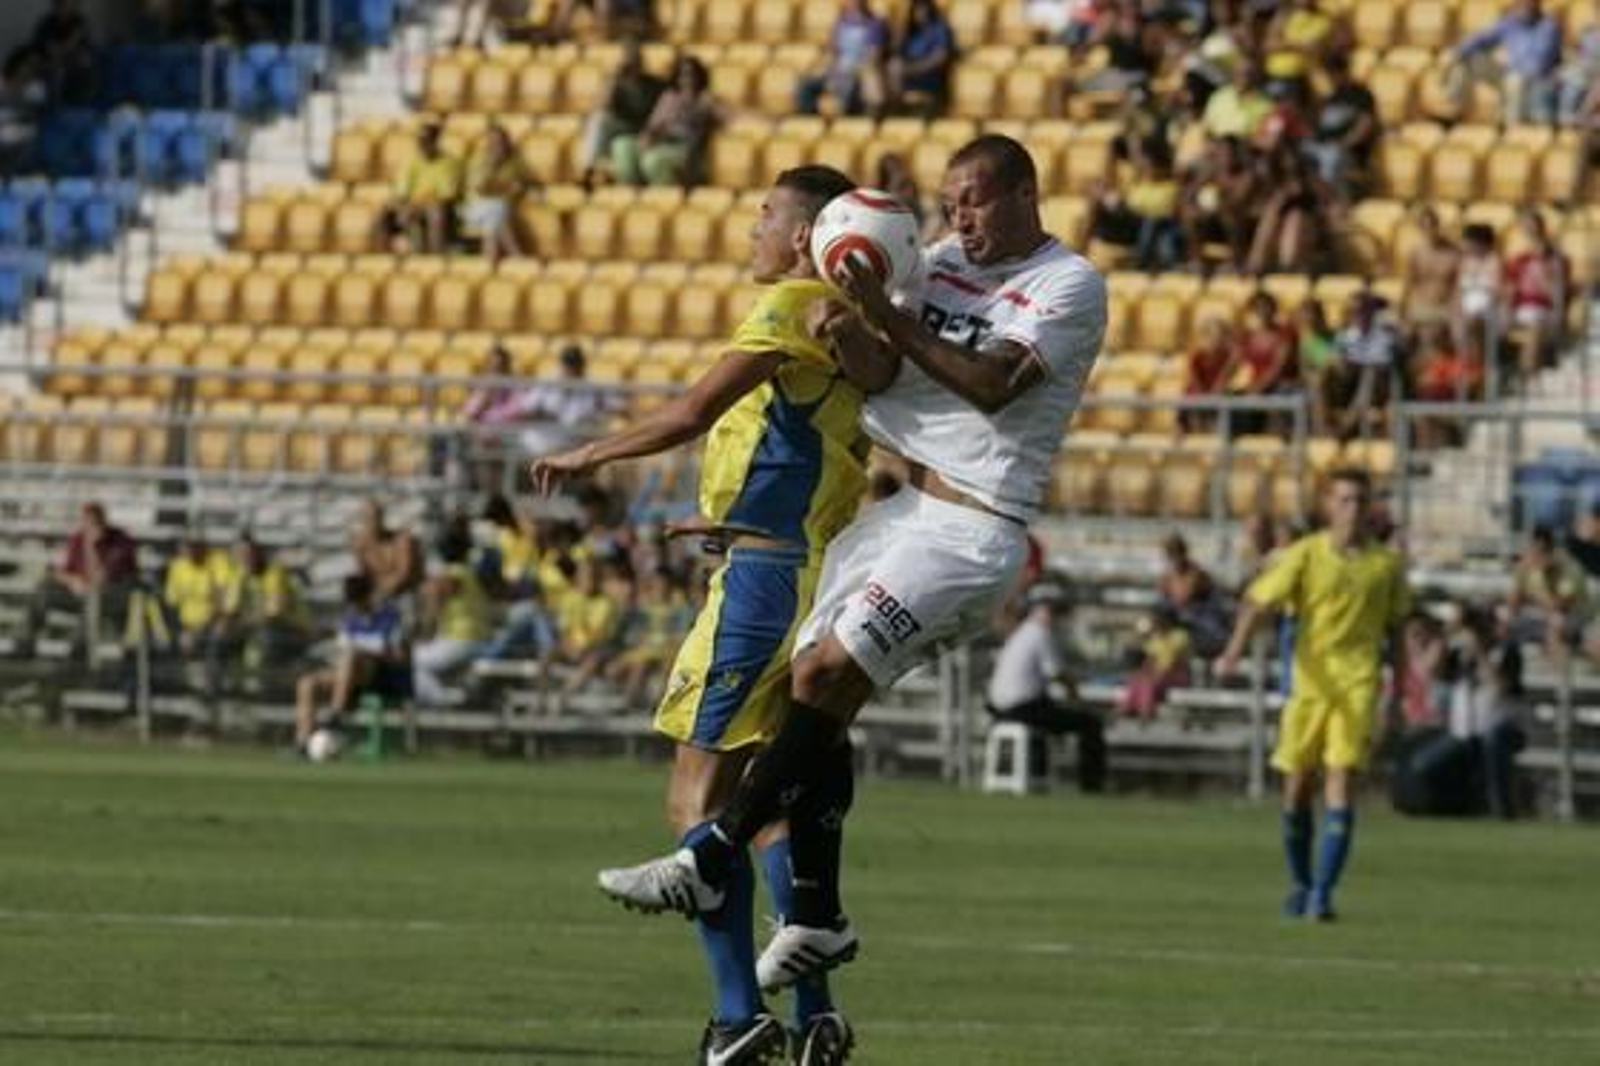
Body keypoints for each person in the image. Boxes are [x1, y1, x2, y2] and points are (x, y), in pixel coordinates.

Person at [592, 136, 1106, 999]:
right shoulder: (934, 262)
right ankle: (816, 918)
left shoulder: (1068, 283)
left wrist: (884, 308)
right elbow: (872, 371)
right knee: (812, 690)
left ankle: (713, 855)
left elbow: (993, 383)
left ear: (1025, 192)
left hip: (973, 526)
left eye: (975, 199)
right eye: (950, 202)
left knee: (826, 673)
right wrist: (844, 312)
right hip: (899, 512)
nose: (960, 219)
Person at [531, 165, 869, 1063]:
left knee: (697, 798)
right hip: (793, 567)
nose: (752, 228)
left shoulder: (796, 302)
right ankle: (814, 1016)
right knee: (764, 804)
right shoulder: (852, 326)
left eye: (765, 215)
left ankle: (736, 1017)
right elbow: (820, 455)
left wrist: (590, 453)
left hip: (757, 589)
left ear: (805, 237)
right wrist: (731, 516)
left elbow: (692, 410)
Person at [1214, 469, 1410, 921]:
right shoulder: (1305, 554)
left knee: (1341, 780)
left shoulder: (1385, 565)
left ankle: (1323, 893)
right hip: (1308, 686)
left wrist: (1398, 695)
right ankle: (1301, 883)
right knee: (1297, 788)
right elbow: (1258, 603)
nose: (1353, 509)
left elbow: (1396, 632)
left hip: (1358, 684)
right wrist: (1233, 651)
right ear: (1327, 505)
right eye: (1344, 500)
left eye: (1361, 500)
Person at [986, 580, 1107, 791]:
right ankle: (1092, 785)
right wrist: (1078, 701)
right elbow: (1058, 675)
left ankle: (1037, 776)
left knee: (1047, 713)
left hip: (1001, 708)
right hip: (1022, 709)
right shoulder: (1040, 633)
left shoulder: (1022, 633)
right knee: (1090, 723)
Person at [293, 573, 410, 750]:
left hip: (382, 676)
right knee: (307, 683)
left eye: (358, 600)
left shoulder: (390, 617)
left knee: (351, 655)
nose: (354, 605)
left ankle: (336, 714)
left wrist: (371, 653)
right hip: (349, 676)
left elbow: (401, 658)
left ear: (369, 595)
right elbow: (340, 651)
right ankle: (303, 742)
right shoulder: (349, 620)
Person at [20, 501, 140, 655]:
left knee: (95, 598)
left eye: (94, 522)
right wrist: (73, 581)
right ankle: (25, 641)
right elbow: (65, 570)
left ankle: (79, 649)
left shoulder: (119, 541)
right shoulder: (78, 539)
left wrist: (92, 547)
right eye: (87, 522)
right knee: (44, 589)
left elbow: (104, 576)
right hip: (82, 591)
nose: (90, 526)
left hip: (110, 595)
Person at [412, 517, 496, 706]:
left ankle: (448, 700)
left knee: (410, 662)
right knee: (417, 662)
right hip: (467, 638)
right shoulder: (466, 572)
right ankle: (448, 697)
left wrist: (424, 631)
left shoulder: (453, 575)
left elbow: (436, 599)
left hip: (462, 639)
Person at [611, 55, 724, 187]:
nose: (687, 79)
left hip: (686, 148)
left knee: (653, 160)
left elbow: (729, 115)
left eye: (691, 74)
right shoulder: (669, 98)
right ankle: (631, 190)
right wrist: (648, 136)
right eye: (682, 74)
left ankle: (664, 196)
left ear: (699, 76)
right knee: (622, 145)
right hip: (662, 141)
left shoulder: (706, 99)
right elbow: (654, 124)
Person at [1444, 0, 1562, 125]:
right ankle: (1454, 110)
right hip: (1507, 71)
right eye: (1520, 2)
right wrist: (1457, 52)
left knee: (1514, 81)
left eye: (1528, 2)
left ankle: (1512, 127)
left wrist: (1511, 61)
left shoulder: (1548, 27)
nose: (1523, 5)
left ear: (1537, 5)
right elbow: (1482, 38)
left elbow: (1537, 67)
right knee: (1465, 61)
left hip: (1533, 80)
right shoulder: (1510, 22)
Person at [581, 39, 666, 188]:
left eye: (635, 59)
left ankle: (601, 168)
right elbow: (603, 106)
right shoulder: (616, 83)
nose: (632, 64)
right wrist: (614, 80)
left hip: (645, 127)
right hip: (624, 126)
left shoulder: (654, 84)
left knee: (609, 131)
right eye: (629, 59)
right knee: (599, 121)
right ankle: (591, 166)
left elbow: (663, 111)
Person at [1502, 208, 1570, 380]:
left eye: (1533, 225)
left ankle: (1528, 377)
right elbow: (1511, 289)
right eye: (1526, 226)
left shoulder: (1554, 258)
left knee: (1534, 330)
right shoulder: (1519, 258)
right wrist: (1507, 311)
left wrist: (1559, 312)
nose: (1530, 229)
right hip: (1521, 308)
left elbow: (1558, 290)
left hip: (1543, 307)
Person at [796, 0, 890, 116]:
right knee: (806, 84)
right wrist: (829, 67)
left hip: (859, 70)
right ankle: (810, 119)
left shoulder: (875, 24)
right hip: (839, 70)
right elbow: (833, 51)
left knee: (848, 85)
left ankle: (845, 119)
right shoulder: (841, 23)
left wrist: (855, 68)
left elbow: (874, 54)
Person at [381, 123, 463, 254]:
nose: (423, 144)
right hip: (414, 204)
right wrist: (405, 205)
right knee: (384, 214)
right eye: (420, 140)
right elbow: (402, 192)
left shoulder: (448, 163)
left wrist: (419, 205)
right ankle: (385, 257)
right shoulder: (411, 161)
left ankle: (435, 255)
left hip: (439, 206)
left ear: (435, 140)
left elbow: (447, 195)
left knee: (435, 212)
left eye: (427, 140)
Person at [461, 124, 536, 264]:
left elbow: (527, 183)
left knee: (495, 217)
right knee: (497, 207)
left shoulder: (516, 162)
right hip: (474, 209)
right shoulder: (479, 161)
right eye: (493, 142)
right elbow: (480, 188)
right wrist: (493, 167)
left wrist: (515, 187)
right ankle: (517, 257)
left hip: (501, 210)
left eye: (500, 142)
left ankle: (490, 264)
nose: (497, 146)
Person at [887, 0, 957, 116]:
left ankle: (894, 106)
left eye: (923, 9)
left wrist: (915, 69)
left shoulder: (939, 28)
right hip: (908, 76)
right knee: (893, 66)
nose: (920, 13)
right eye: (917, 10)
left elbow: (941, 57)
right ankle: (891, 106)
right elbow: (896, 52)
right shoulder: (911, 32)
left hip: (930, 76)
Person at [349, 499, 424, 605]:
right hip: (378, 592)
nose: (372, 522)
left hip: (405, 592)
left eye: (375, 517)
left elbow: (404, 574)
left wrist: (382, 588)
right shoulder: (360, 545)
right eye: (368, 518)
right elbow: (363, 575)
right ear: (363, 520)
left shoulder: (401, 541)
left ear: (382, 518)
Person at [1402, 208, 1460, 335]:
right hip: (1421, 303)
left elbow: (1458, 284)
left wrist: (1453, 304)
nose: (1430, 231)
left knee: (1432, 331)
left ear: (1438, 226)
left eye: (1432, 226)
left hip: (1445, 304)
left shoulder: (1453, 252)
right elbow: (1409, 283)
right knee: (1406, 331)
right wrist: (1404, 307)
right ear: (1420, 229)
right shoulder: (1415, 252)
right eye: (1425, 227)